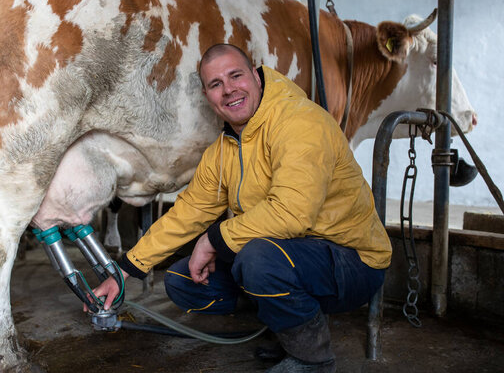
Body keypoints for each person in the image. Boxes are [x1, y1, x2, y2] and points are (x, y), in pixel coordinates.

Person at [89, 44, 392, 373]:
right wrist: (126, 270)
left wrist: (213, 239)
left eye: (236, 76)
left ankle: (313, 359)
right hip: (290, 252)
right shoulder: (225, 148)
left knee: (258, 261)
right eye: (215, 84)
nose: (229, 89)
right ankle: (289, 325)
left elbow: (292, 213)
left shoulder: (299, 122)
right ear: (207, 96)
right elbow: (188, 212)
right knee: (181, 280)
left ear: (257, 78)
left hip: (351, 259)